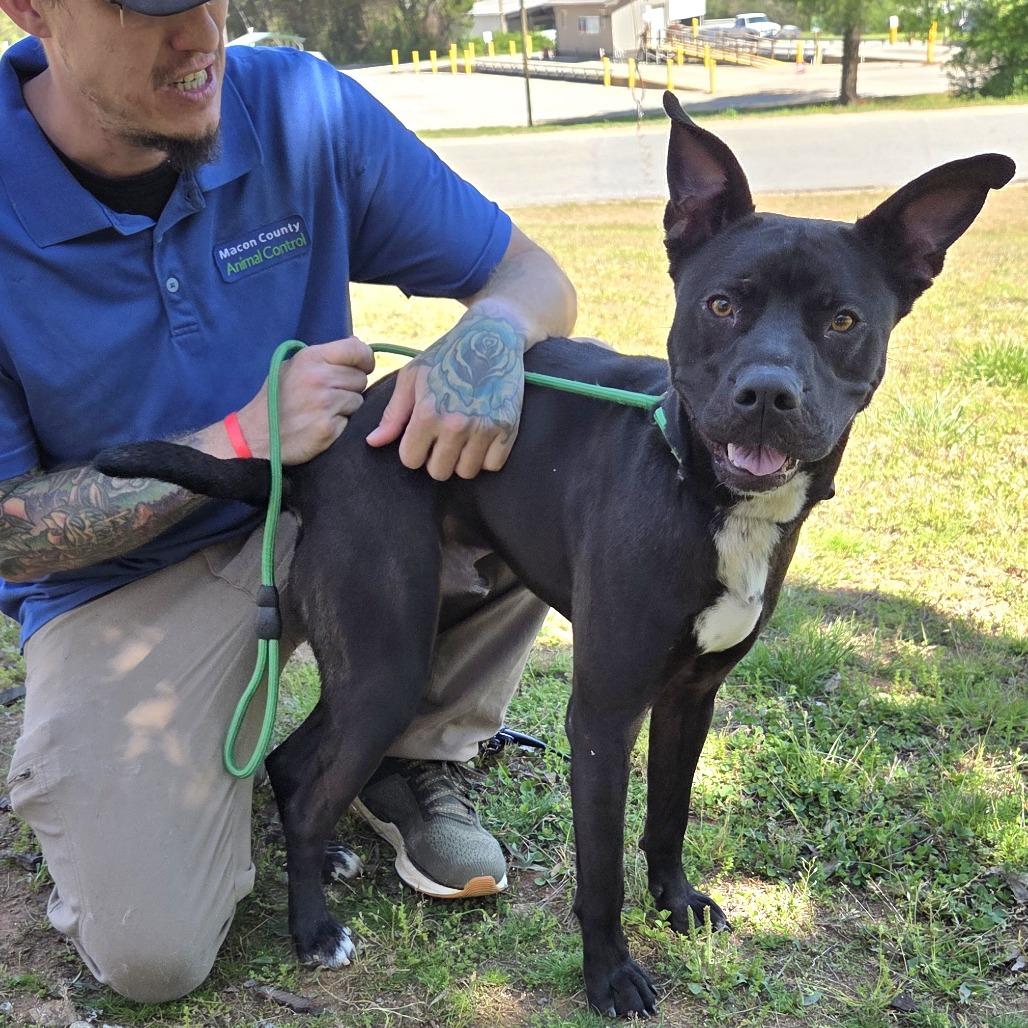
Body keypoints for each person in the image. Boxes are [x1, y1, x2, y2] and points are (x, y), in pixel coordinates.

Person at [0, 0, 577, 1003]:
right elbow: (9, 536)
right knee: (154, 953)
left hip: (337, 518)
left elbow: (529, 276)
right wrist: (237, 439)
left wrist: (484, 341)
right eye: (152, 10)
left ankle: (401, 747)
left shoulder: (300, 108)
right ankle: (224, 767)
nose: (199, 35)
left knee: (532, 417)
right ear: (30, 10)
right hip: (120, 592)